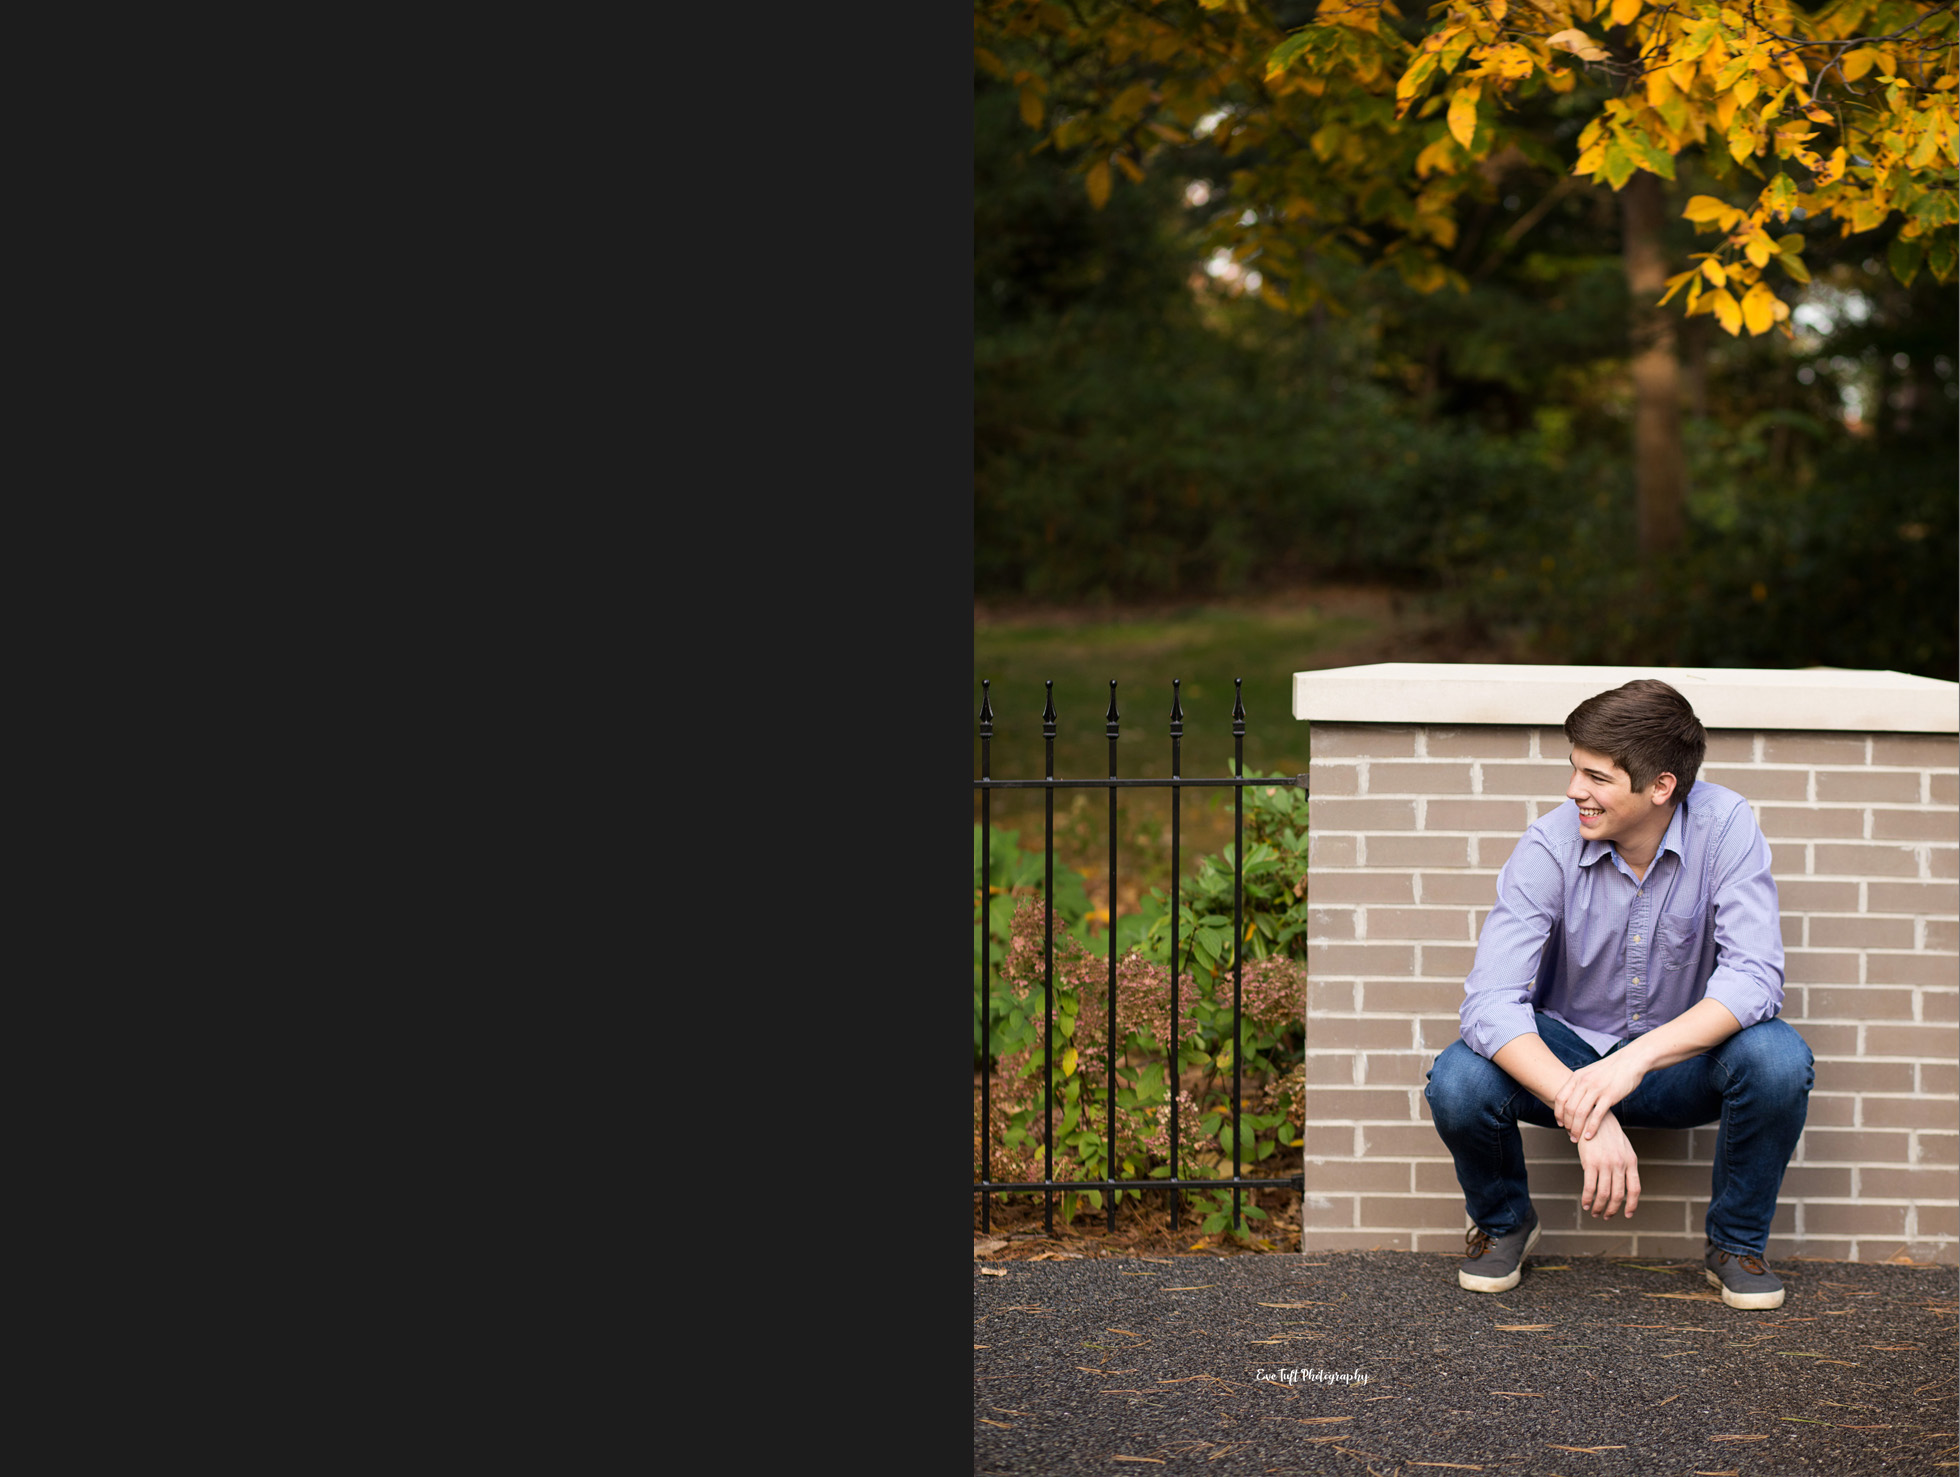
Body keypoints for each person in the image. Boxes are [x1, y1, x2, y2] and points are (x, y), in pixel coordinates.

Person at [1423, 678, 1813, 1310]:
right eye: (1575, 769)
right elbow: (1490, 1002)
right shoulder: (1548, 843)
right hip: (1568, 1053)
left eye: (1597, 777)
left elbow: (1755, 977)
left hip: (1678, 1062)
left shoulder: (1726, 825)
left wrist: (1630, 1063)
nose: (1575, 790)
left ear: (1661, 786)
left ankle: (1735, 1244)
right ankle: (1503, 1224)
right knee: (1458, 1078)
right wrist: (1586, 1107)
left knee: (1776, 1058)